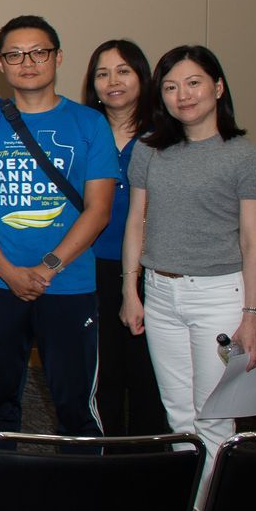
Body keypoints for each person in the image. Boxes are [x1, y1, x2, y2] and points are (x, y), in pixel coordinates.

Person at [0, 15, 117, 441]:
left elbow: (98, 210)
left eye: (38, 52)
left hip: (68, 285)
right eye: (14, 54)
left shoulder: (89, 125)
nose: (27, 62)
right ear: (0, 64)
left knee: (74, 403)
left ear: (57, 57)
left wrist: (48, 266)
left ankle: (80, 497)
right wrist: (9, 271)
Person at [122, 45, 256, 506]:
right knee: (179, 413)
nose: (182, 95)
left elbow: (251, 242)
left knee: (214, 418)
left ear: (218, 87)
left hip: (220, 296)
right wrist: (130, 288)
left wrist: (252, 316)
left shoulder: (244, 156)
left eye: (193, 82)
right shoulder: (148, 151)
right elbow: (136, 222)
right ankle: (190, 509)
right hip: (160, 292)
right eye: (170, 86)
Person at [83, 40, 167, 438]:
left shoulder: (165, 136)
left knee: (149, 372)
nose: (112, 81)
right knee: (103, 371)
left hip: (153, 268)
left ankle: (150, 465)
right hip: (91, 264)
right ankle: (108, 460)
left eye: (123, 71)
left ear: (142, 77)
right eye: (102, 73)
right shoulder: (82, 132)